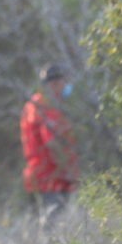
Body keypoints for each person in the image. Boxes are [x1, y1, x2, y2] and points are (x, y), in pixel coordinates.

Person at [20, 63, 78, 228]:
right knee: (52, 229)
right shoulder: (44, 108)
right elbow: (52, 143)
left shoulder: (37, 105)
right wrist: (69, 172)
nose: (65, 87)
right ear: (52, 84)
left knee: (41, 227)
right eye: (61, 83)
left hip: (41, 179)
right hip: (51, 180)